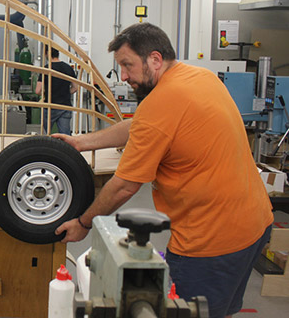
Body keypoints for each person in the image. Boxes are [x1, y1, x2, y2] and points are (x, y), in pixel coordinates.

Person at [53, 23, 272, 318]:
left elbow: (125, 185)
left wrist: (84, 222)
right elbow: (139, 125)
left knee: (189, 311)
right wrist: (82, 142)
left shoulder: (161, 102)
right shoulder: (199, 78)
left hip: (210, 240)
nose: (125, 76)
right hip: (254, 223)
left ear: (155, 59)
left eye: (128, 65)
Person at [36, 47, 77, 135]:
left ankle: (47, 148)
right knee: (65, 135)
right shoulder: (68, 68)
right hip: (65, 107)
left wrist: (44, 94)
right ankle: (66, 149)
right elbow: (75, 88)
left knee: (46, 135)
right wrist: (65, 92)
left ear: (47, 53)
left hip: (50, 106)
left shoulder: (46, 69)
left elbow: (37, 90)